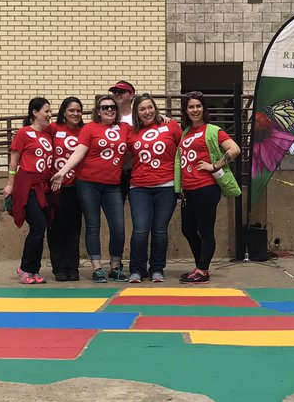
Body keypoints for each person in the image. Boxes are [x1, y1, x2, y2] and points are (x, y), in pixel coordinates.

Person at [51, 94, 131, 283]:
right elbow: (79, 151)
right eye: (105, 107)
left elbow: (144, 132)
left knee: (118, 227)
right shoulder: (89, 128)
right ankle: (97, 268)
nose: (109, 110)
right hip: (88, 183)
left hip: (113, 185)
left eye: (112, 107)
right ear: (98, 111)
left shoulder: (125, 128)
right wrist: (63, 171)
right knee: (93, 226)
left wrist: (165, 120)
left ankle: (114, 267)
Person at [176, 91, 240, 284]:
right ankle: (200, 266)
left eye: (198, 106)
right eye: (190, 107)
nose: (195, 110)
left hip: (205, 188)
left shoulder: (213, 130)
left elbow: (234, 149)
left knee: (205, 230)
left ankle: (202, 270)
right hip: (189, 190)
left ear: (204, 108)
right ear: (185, 111)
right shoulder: (186, 132)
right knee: (187, 229)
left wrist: (214, 166)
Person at [127, 94, 181, 283]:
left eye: (150, 107)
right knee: (140, 230)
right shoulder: (131, 132)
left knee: (159, 230)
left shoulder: (170, 126)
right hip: (139, 187)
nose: (147, 112)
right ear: (137, 113)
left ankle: (157, 268)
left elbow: (184, 148)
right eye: (142, 109)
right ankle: (136, 269)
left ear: (155, 108)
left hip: (166, 187)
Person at [3, 97, 54, 284]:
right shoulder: (24, 134)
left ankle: (34, 269)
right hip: (27, 185)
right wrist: (10, 184)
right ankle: (26, 268)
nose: (50, 115)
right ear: (35, 112)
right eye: (46, 111)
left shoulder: (48, 134)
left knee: (40, 228)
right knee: (38, 226)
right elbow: (14, 161)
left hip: (43, 185)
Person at [46, 96, 84, 281]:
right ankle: (58, 268)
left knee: (73, 229)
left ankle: (73, 268)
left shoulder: (84, 131)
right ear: (64, 112)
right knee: (55, 228)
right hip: (55, 188)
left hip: (77, 187)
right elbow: (35, 131)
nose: (75, 114)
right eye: (71, 110)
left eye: (78, 111)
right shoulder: (54, 128)